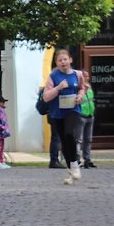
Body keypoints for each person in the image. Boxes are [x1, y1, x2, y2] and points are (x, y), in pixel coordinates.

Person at [42, 49, 86, 185]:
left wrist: (80, 96)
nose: (63, 62)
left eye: (65, 59)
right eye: (60, 60)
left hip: (73, 110)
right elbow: (46, 97)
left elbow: (82, 88)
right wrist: (58, 88)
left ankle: (75, 165)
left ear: (70, 60)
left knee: (69, 134)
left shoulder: (78, 74)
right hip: (57, 112)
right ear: (56, 63)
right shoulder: (53, 76)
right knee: (63, 142)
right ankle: (71, 170)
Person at [78, 70, 96, 169]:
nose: (87, 78)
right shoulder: (78, 87)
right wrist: (83, 90)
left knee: (88, 139)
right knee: (79, 139)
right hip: (81, 115)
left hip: (90, 115)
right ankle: (77, 160)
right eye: (85, 76)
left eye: (88, 76)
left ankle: (87, 159)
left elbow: (91, 100)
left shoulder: (89, 87)